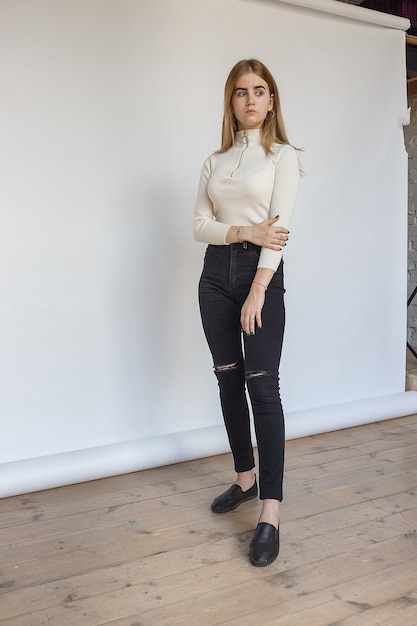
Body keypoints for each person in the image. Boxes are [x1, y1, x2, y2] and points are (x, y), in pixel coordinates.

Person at [193, 59, 300, 567]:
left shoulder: (282, 157)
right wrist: (243, 231)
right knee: (227, 379)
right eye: (241, 92)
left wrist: (259, 288)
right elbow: (200, 225)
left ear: (272, 100)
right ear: (231, 101)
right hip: (215, 276)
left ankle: (271, 511)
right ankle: (243, 477)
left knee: (263, 385)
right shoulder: (214, 161)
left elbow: (277, 233)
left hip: (260, 276)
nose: (251, 100)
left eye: (260, 91)